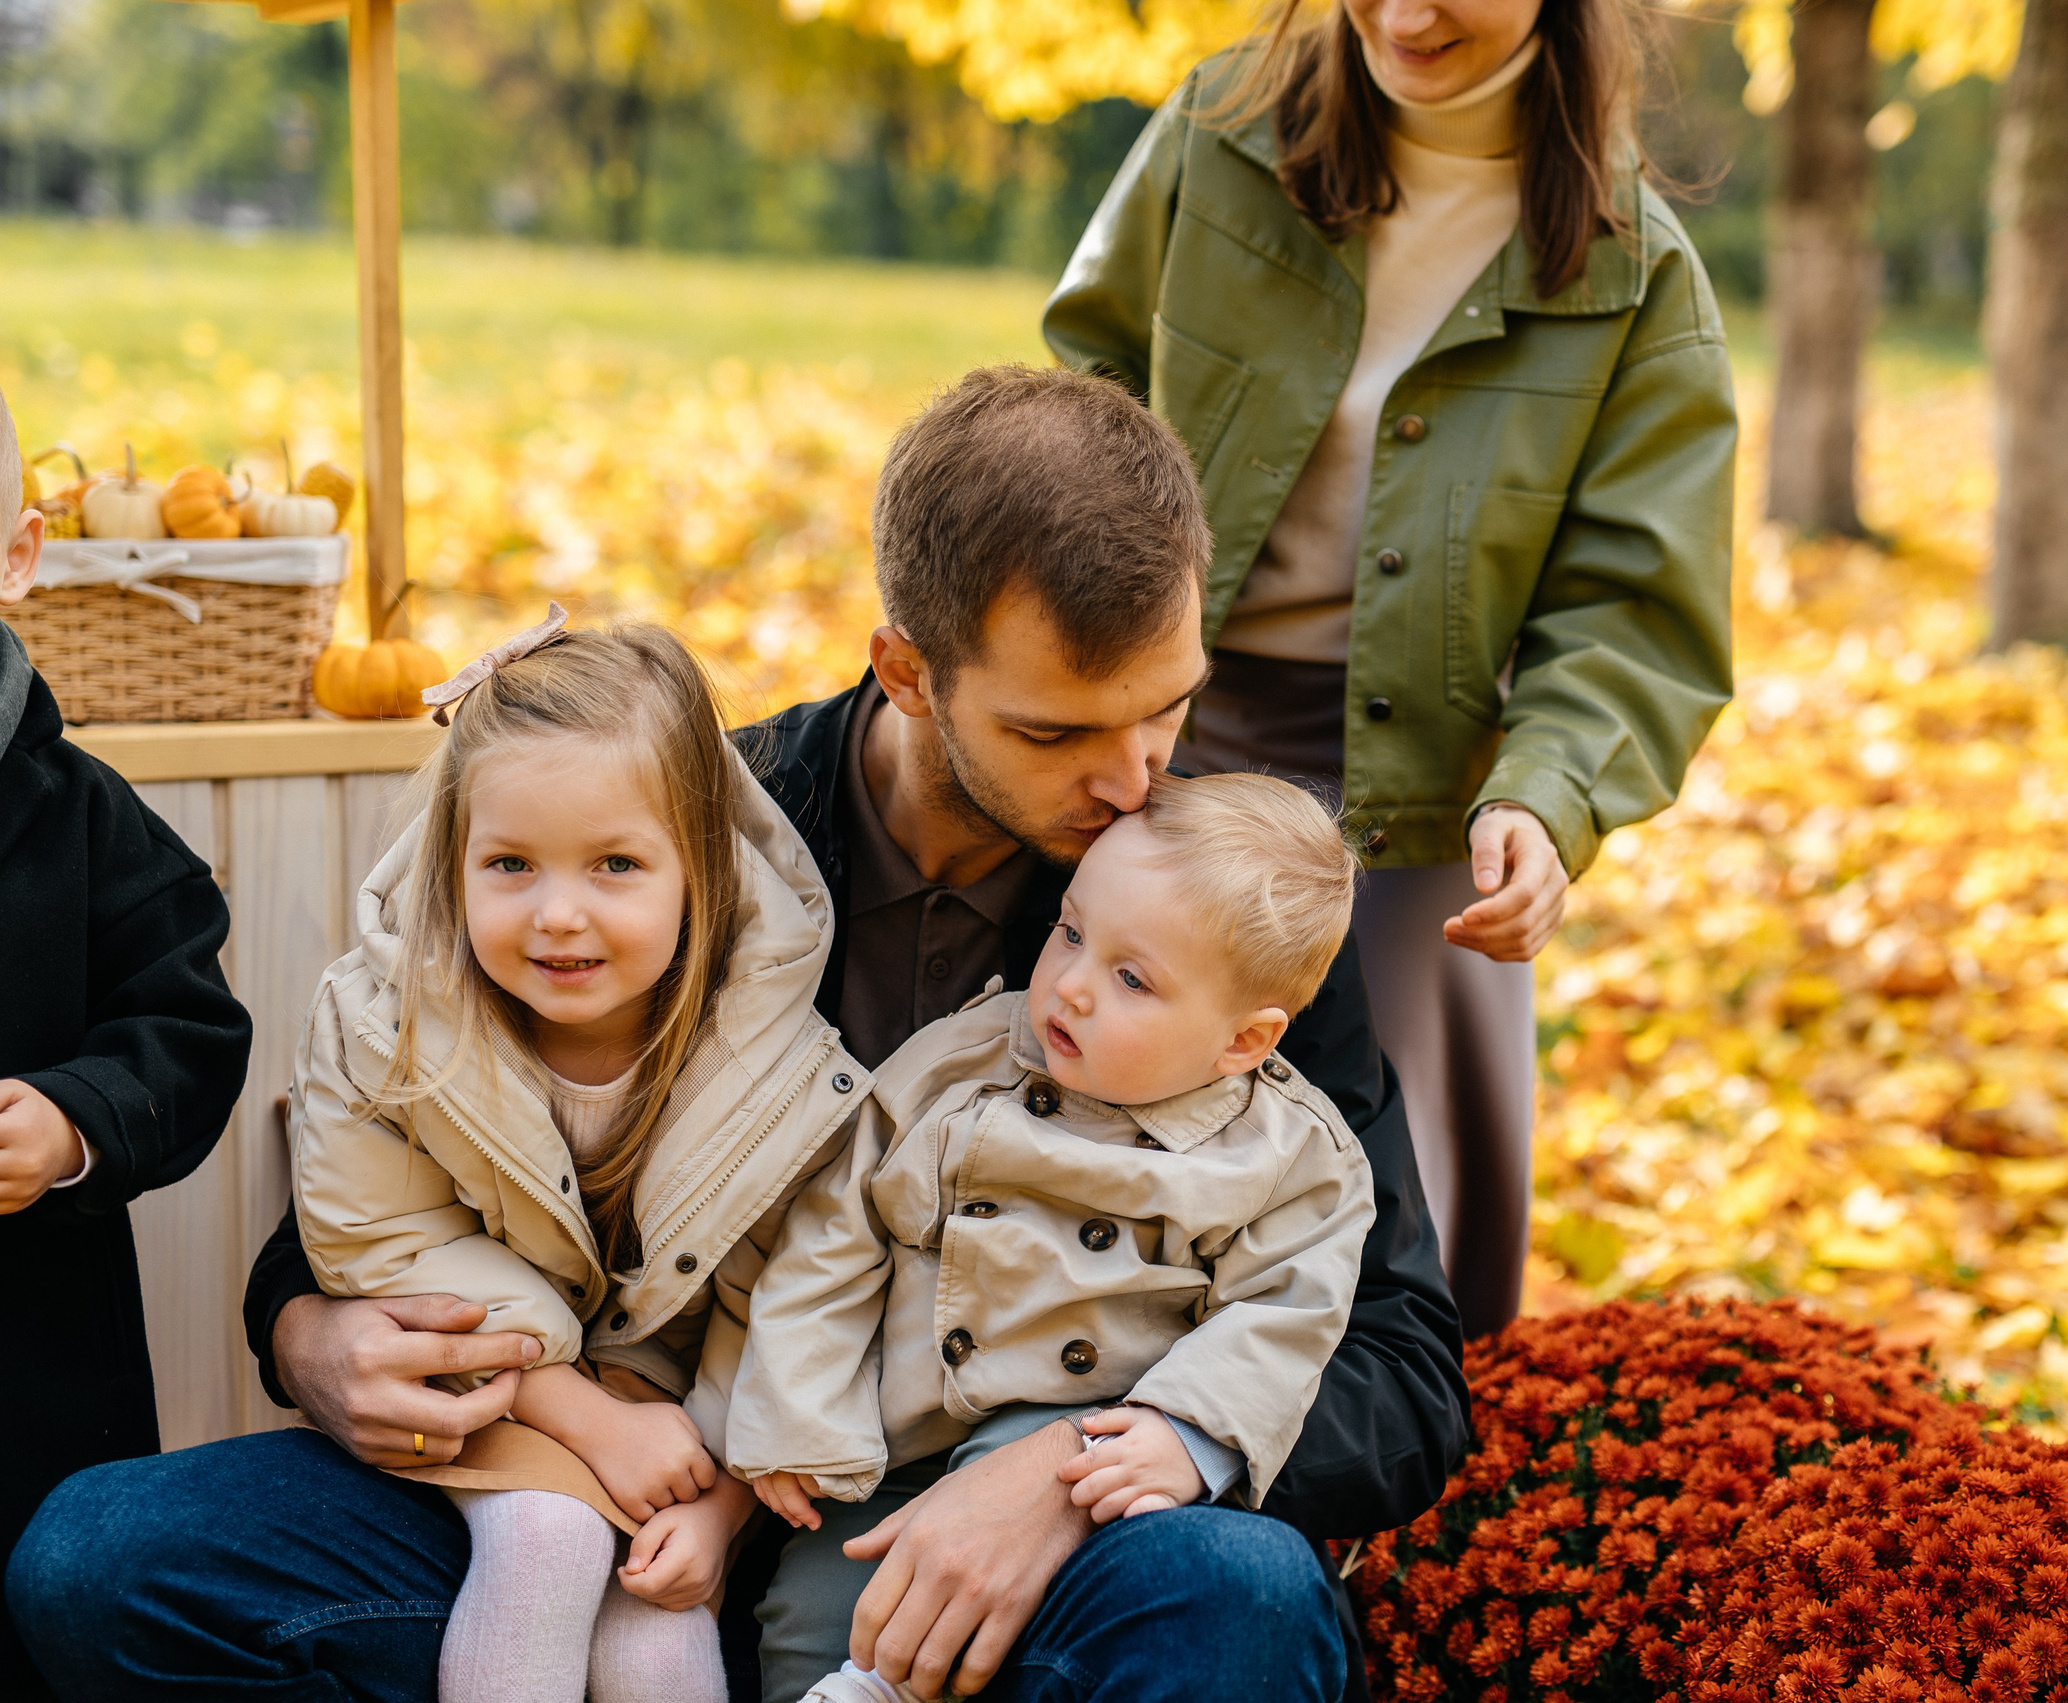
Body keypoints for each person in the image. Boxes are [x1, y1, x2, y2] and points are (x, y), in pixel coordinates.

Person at [9, 364, 1467, 1703]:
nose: (1134, 777)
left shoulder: (1207, 906)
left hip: (1009, 1537)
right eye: (1056, 732)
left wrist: (1054, 1479)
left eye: (1168, 706)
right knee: (99, 1558)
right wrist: (305, 1329)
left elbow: (1400, 1363)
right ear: (906, 669)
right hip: (619, 1488)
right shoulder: (676, 831)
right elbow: (412, 1122)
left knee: (1236, 1594)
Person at [1045, 0, 1736, 1337]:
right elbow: (1087, 393)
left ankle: (1377, 1532)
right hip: (1158, 730)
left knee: (1400, 1242)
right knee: (1088, 1136)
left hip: (1425, 794)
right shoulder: (1221, 130)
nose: (1407, 14)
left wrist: (1546, 792)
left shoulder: (1633, 273)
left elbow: (1635, 609)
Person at [287, 612, 869, 1703]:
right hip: (491, 1392)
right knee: (549, 1537)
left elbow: (795, 1285)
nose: (559, 915)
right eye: (509, 862)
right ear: (452, 862)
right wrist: (582, 1413)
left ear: (698, 866)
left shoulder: (772, 1054)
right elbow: (383, 1235)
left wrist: (722, 1496)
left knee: (655, 1613)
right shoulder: (386, 1025)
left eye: (615, 863)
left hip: (694, 1427)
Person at [730, 772, 1372, 1703]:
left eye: (1131, 977)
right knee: (812, 1609)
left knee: (924, 1651)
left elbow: (1286, 1314)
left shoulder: (1289, 1156)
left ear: (1243, 1040)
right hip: (895, 1444)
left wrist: (1188, 1435)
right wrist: (799, 1411)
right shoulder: (961, 1061)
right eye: (1071, 930)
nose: (1069, 984)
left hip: (1083, 1454)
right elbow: (837, 1228)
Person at [0, 389, 256, 1700]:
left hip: (32, 1359)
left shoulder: (82, 817)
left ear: (18, 553)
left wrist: (74, 1119)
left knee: (34, 1622)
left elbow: (190, 1020)